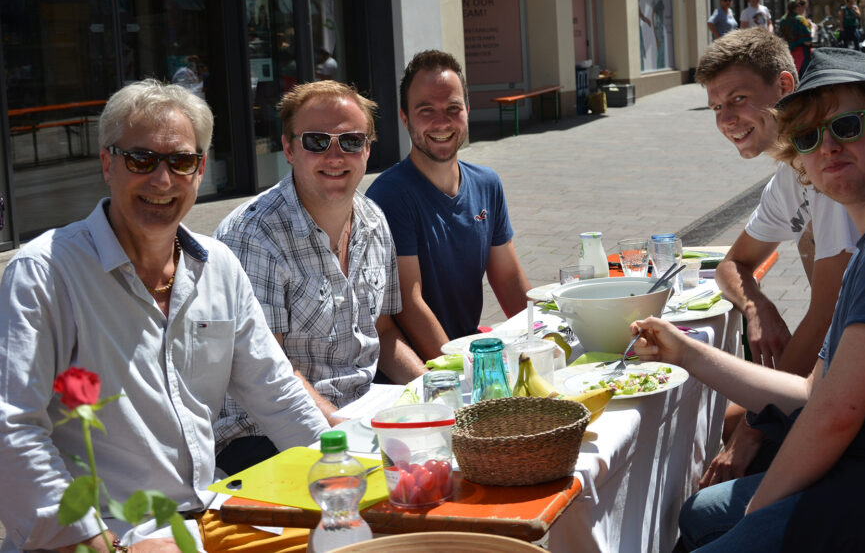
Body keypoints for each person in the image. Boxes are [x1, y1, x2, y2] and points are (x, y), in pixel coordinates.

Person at [649, 47, 865, 552]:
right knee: (700, 513)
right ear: (801, 163)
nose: (828, 147)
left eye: (848, 126)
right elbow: (815, 393)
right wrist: (685, 351)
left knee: (717, 529)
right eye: (809, 138)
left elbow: (834, 415)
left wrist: (753, 519)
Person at [0, 79, 329, 551]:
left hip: (203, 520)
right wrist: (99, 543)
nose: (162, 180)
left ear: (199, 171)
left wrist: (346, 474)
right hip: (108, 532)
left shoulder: (219, 267)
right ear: (107, 163)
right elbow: (12, 429)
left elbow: (276, 395)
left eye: (180, 161)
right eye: (141, 160)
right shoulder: (45, 273)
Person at [213, 81, 426, 475]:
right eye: (316, 141)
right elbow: (268, 370)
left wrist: (432, 386)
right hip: (260, 436)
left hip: (359, 412)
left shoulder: (374, 220)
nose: (335, 155)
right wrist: (344, 433)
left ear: (367, 149)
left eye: (350, 141)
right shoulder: (253, 234)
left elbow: (384, 329)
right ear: (289, 149)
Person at [694, 28, 857, 488]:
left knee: (722, 431)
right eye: (716, 108)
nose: (727, 119)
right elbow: (732, 264)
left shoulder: (829, 167)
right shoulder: (791, 172)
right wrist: (756, 307)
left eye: (739, 98)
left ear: (785, 87)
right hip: (841, 363)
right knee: (713, 423)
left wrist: (751, 432)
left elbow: (827, 315)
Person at [366, 50, 531, 361]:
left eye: (452, 108)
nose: (441, 122)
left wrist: (540, 340)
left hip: (468, 348)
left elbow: (507, 278)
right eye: (426, 110)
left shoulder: (487, 184)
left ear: (467, 111)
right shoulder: (389, 195)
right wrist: (459, 371)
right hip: (421, 372)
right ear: (404, 118)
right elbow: (409, 303)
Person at [777, 0, 813, 74]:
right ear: (799, 7)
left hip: (787, 56)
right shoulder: (800, 19)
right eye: (805, 8)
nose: (805, 11)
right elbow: (808, 41)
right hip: (801, 56)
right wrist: (813, 28)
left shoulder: (783, 20)